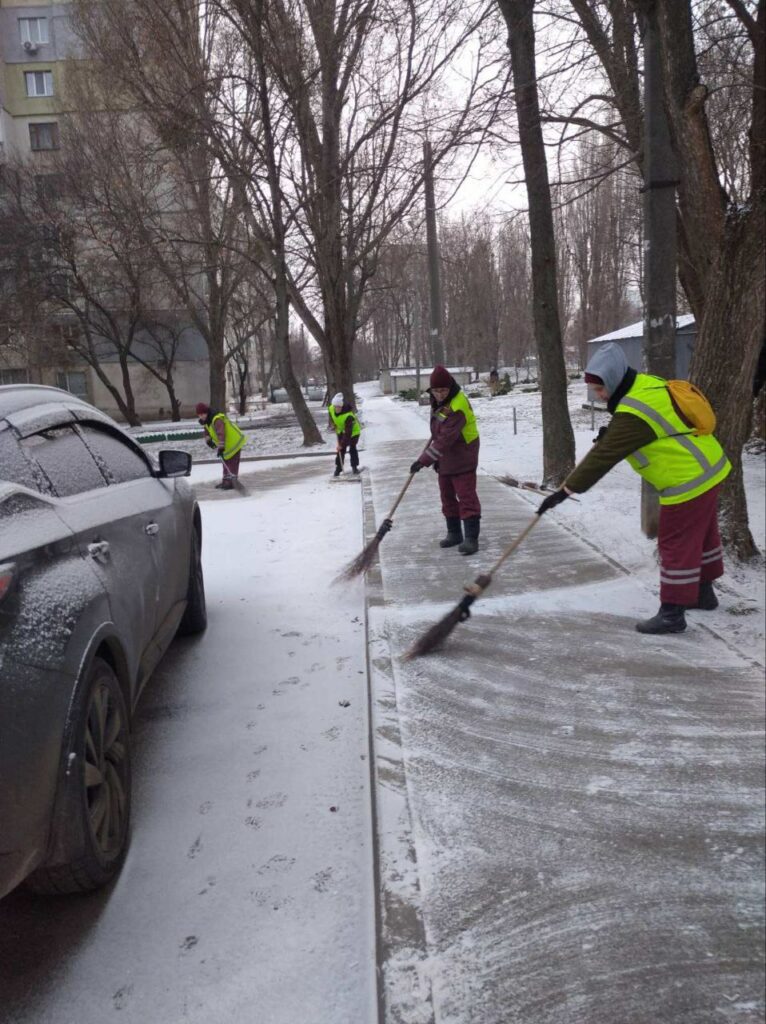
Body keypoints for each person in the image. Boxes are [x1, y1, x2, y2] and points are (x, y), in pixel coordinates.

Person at [537, 342, 731, 634]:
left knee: (674, 543)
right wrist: (614, 431)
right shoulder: (645, 384)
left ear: (614, 380)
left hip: (688, 479)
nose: (599, 396)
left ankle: (672, 614)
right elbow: (649, 425)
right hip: (708, 468)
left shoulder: (632, 412)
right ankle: (704, 594)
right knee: (701, 535)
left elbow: (604, 457)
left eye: (601, 389)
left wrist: (564, 491)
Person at [411, 365, 481, 555]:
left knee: (466, 496)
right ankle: (454, 533)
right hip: (447, 458)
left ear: (450, 387)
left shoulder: (457, 406)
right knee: (447, 496)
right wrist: (431, 457)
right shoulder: (440, 402)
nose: (440, 394)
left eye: (443, 390)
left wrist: (423, 461)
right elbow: (438, 434)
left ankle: (471, 538)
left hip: (463, 455)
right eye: (436, 391)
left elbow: (445, 440)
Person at [196, 402, 246, 490]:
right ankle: (226, 481)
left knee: (232, 463)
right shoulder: (207, 421)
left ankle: (232, 482)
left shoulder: (216, 419)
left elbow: (221, 433)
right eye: (199, 415)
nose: (201, 417)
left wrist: (221, 447)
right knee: (225, 461)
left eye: (202, 414)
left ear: (206, 412)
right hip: (226, 444)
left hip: (234, 442)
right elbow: (207, 431)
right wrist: (208, 441)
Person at [328, 392, 361, 476]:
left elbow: (348, 434)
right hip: (341, 430)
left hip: (353, 432)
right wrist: (333, 424)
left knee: (352, 448)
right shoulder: (331, 408)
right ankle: (338, 468)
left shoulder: (348, 416)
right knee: (341, 450)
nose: (336, 408)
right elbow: (331, 416)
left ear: (341, 406)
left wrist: (341, 444)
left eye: (338, 407)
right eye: (335, 407)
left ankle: (354, 467)